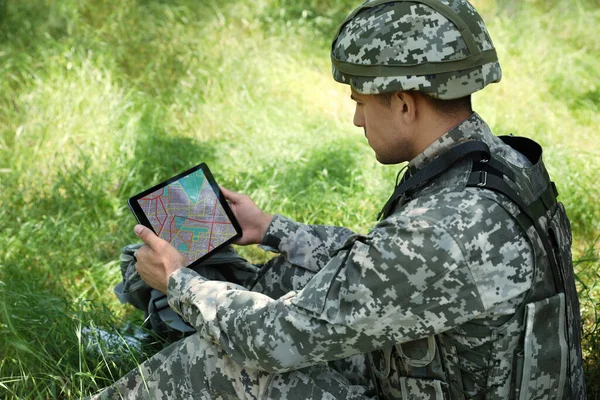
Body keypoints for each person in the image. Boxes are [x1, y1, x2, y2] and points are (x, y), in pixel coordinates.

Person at [91, 0, 586, 398]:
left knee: (226, 360)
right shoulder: (500, 163)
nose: (356, 120)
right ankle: (161, 335)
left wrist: (179, 281)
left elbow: (273, 338)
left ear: (405, 103)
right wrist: (271, 229)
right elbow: (385, 266)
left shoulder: (442, 229)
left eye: (360, 102)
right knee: (293, 274)